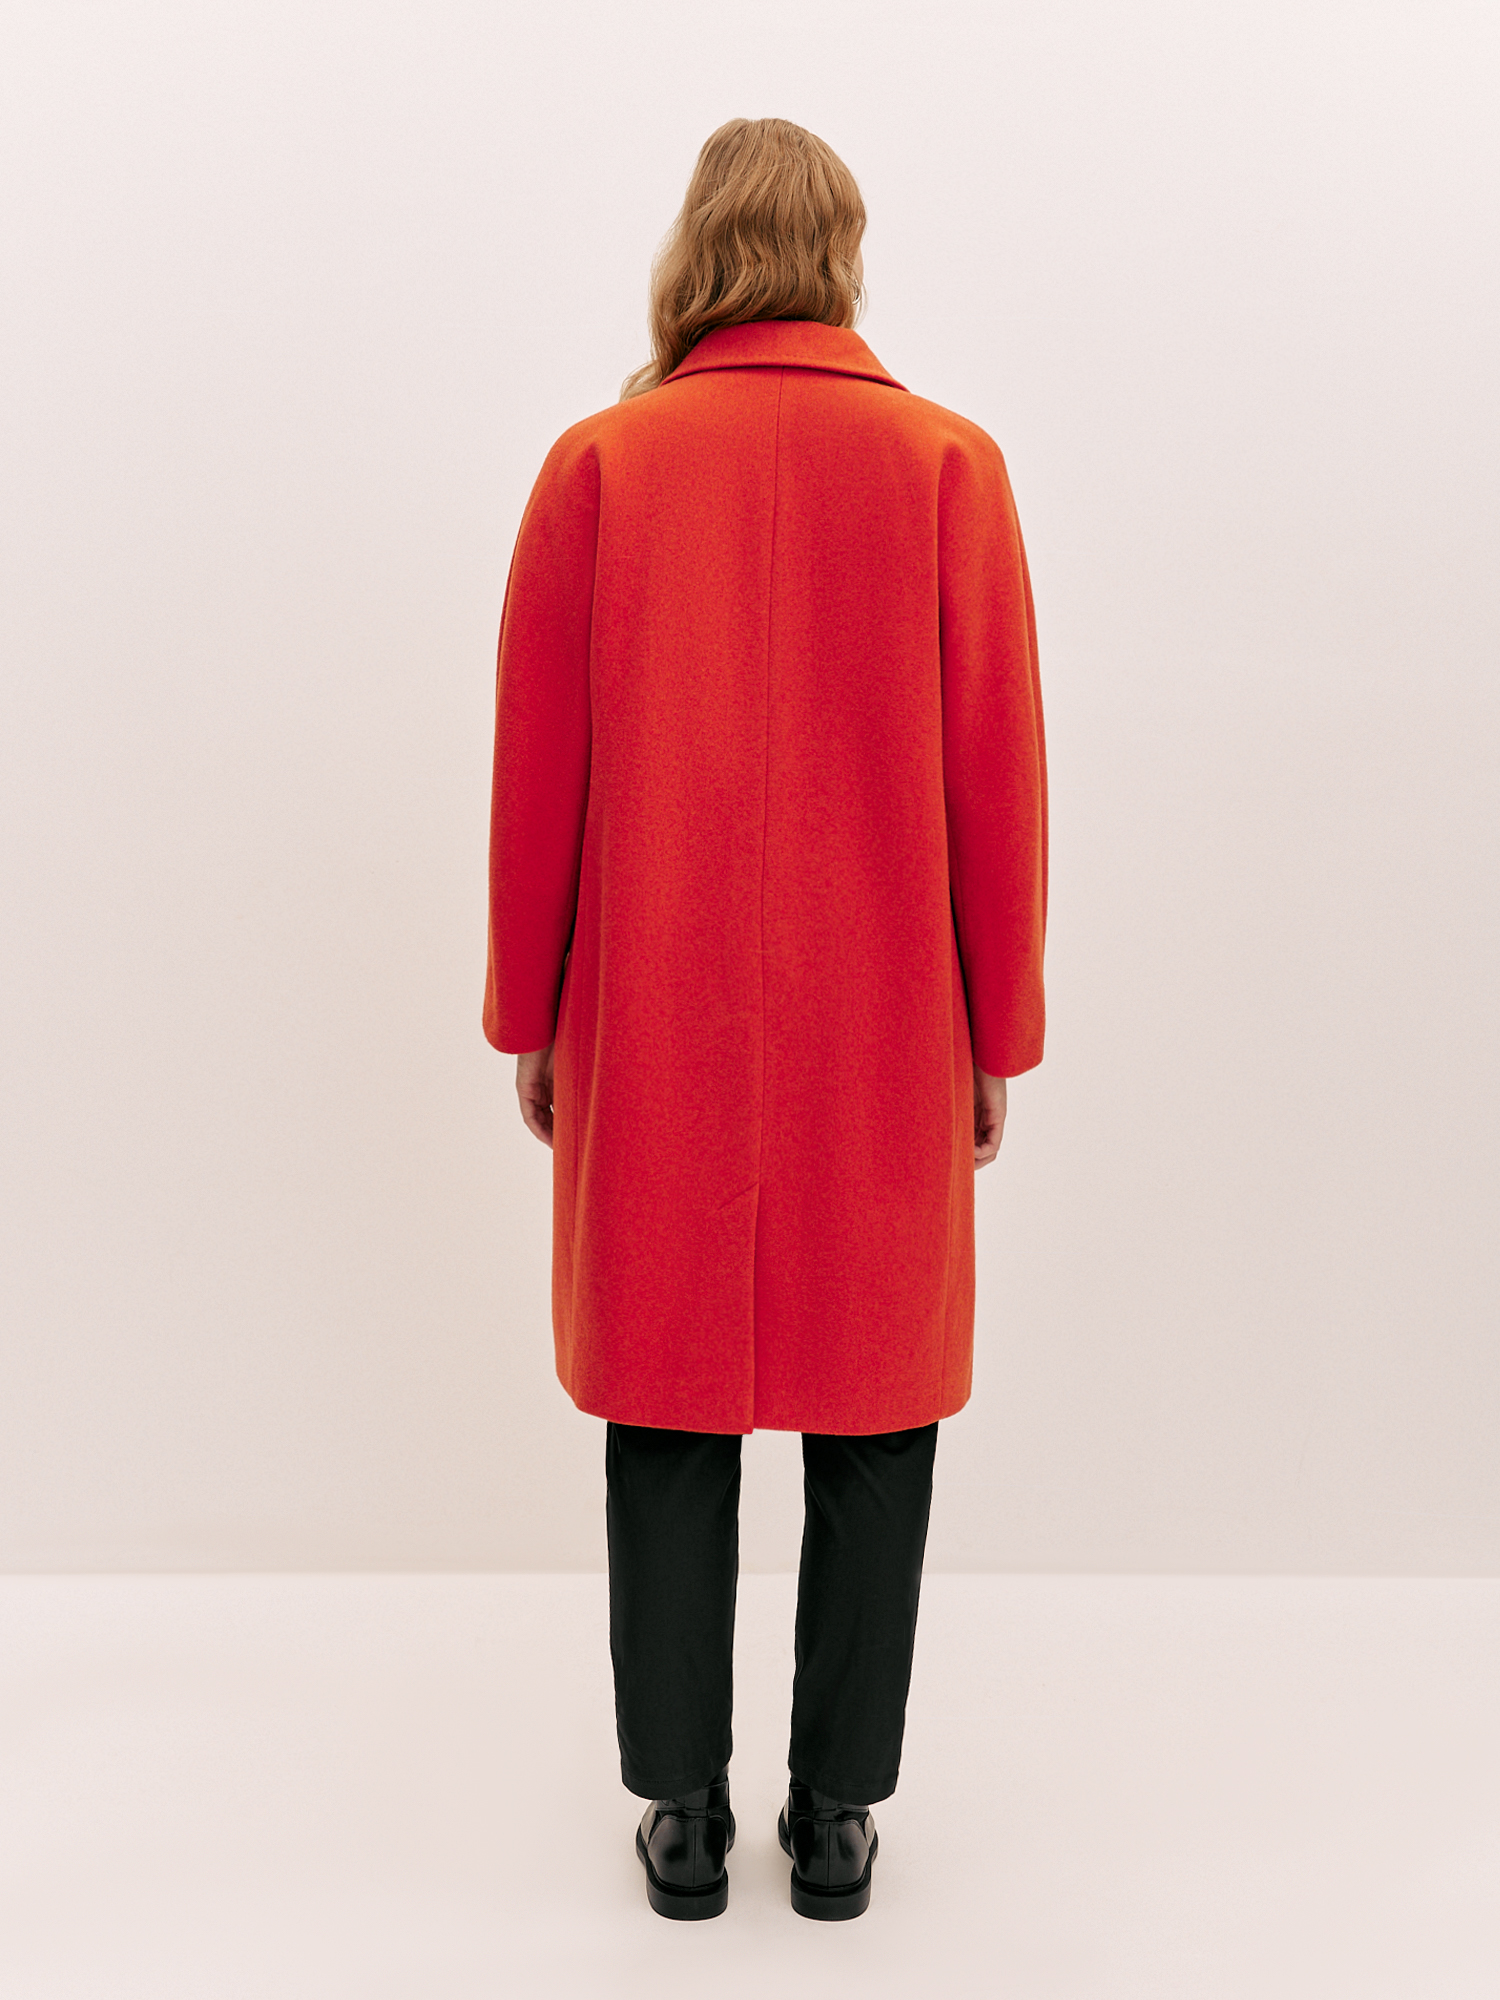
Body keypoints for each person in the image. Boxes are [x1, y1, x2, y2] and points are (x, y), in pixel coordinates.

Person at [483, 116, 1046, 1922]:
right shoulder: (949, 467)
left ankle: (680, 1813)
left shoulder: (602, 468)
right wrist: (999, 1030)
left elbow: (538, 776)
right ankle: (838, 1817)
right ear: (841, 252)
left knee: (667, 1409)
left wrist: (529, 1009)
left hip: (654, 1016)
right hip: (885, 1025)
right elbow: (998, 782)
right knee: (877, 1415)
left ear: (698, 249)